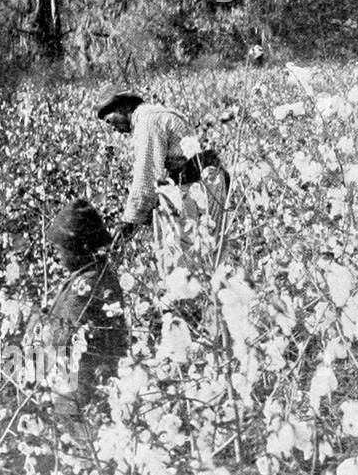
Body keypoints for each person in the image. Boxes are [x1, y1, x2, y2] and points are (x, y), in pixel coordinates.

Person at [95, 88, 228, 273]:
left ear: (124, 107)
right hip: (208, 182)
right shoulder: (153, 114)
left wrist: (128, 222)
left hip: (200, 185)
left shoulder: (148, 122)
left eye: (110, 120)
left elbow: (147, 176)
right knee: (209, 253)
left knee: (192, 259)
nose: (112, 128)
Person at [30, 199, 128, 440]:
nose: (57, 256)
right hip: (92, 384)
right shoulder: (98, 275)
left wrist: (38, 321)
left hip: (80, 388)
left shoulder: (85, 286)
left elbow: (63, 338)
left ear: (77, 249)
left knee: (84, 443)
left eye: (61, 250)